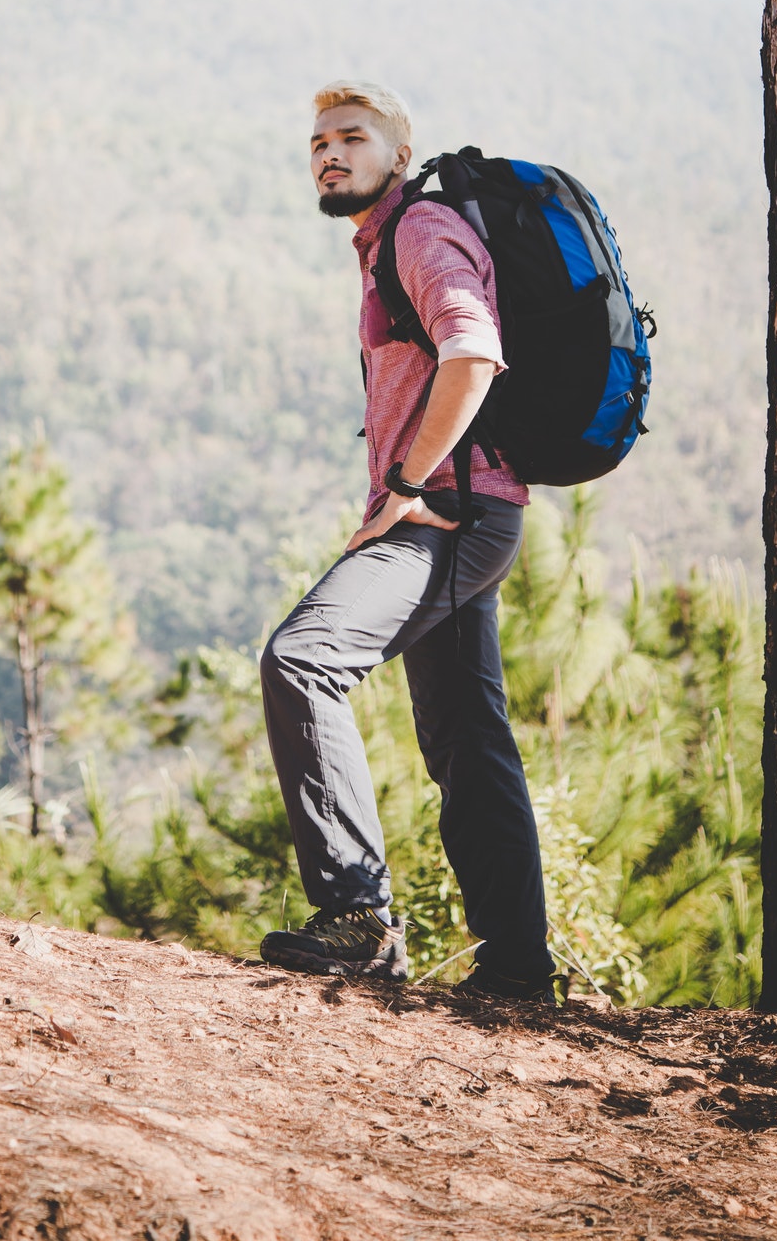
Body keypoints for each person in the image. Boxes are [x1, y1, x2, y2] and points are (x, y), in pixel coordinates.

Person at [258, 81, 556, 1004]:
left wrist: (408, 481)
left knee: (302, 659)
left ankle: (357, 918)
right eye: (317, 144)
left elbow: (472, 353)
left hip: (446, 516)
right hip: (471, 511)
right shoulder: (386, 243)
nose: (329, 154)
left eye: (352, 138)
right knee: (468, 736)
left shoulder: (419, 231)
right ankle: (516, 966)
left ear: (397, 153)